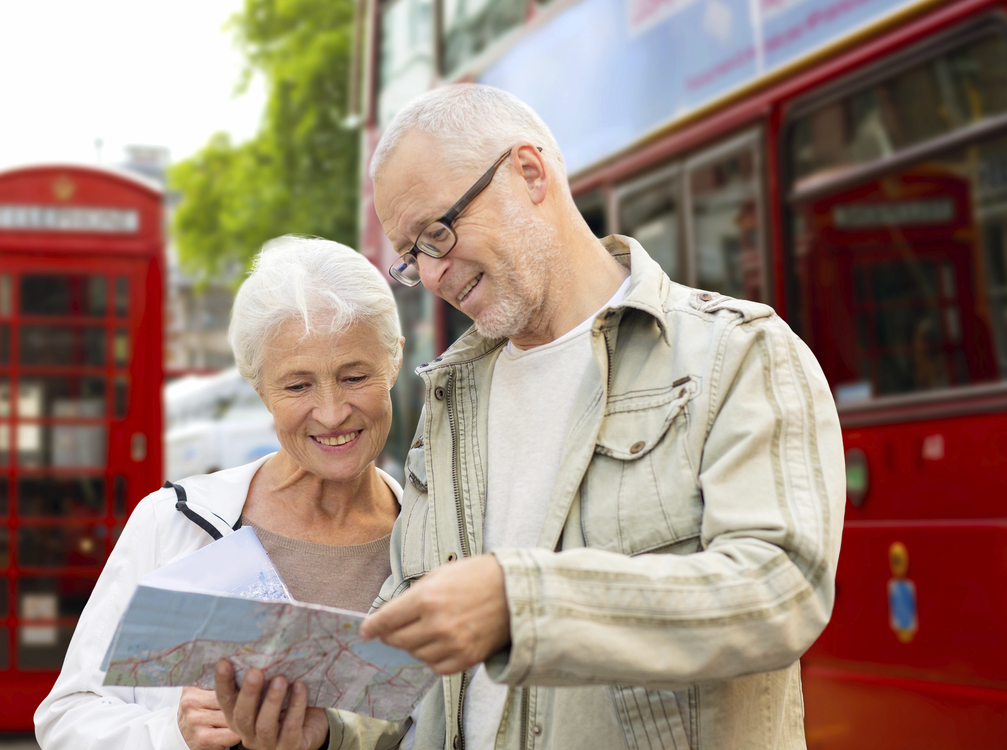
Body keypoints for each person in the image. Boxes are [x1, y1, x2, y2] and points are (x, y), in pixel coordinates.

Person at [222, 84, 846, 749]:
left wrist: (524, 603)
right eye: (411, 257)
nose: (431, 276)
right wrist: (327, 729)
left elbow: (781, 591)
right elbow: (410, 636)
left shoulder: (737, 351)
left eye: (438, 232)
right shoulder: (450, 400)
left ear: (529, 172)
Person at [34, 235, 405, 750]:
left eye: (354, 376)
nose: (331, 411)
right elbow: (65, 718)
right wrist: (174, 734)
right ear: (259, 389)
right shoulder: (172, 524)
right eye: (297, 386)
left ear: (394, 361)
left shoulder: (431, 538)